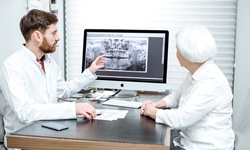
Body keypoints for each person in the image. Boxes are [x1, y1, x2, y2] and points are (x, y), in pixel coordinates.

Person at [0, 9, 105, 148]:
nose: (58, 38)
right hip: (24, 142)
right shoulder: (12, 66)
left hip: (49, 133)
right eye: (53, 33)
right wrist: (73, 108)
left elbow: (63, 91)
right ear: (37, 36)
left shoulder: (48, 62)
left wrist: (90, 71)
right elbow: (25, 112)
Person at [140, 25, 235, 150]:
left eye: (177, 49)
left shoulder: (211, 82)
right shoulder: (198, 71)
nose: (176, 53)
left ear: (187, 56)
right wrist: (160, 104)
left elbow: (182, 118)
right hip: (188, 141)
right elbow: (179, 94)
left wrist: (152, 112)